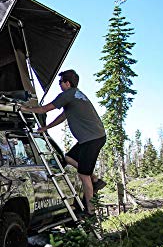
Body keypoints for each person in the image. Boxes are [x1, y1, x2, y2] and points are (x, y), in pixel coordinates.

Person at [23, 69, 106, 214]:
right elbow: (63, 116)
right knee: (68, 158)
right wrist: (46, 127)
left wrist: (24, 108)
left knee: (83, 175)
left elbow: (44, 109)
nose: (59, 85)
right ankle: (95, 179)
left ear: (67, 83)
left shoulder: (68, 94)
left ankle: (91, 210)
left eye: (61, 82)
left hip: (92, 139)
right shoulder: (76, 95)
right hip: (92, 138)